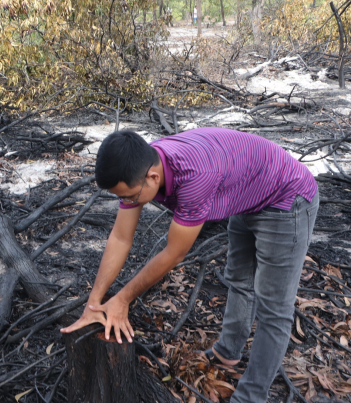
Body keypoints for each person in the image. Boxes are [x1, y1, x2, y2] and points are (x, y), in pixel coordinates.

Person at [61, 128, 318, 403]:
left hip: (286, 200)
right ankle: (227, 353)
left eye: (130, 197)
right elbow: (121, 237)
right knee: (240, 281)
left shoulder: (194, 177)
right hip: (248, 191)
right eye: (120, 197)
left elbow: (174, 253)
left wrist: (122, 299)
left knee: (274, 307)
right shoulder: (142, 165)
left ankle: (251, 397)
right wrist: (94, 302)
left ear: (153, 178)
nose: (127, 203)